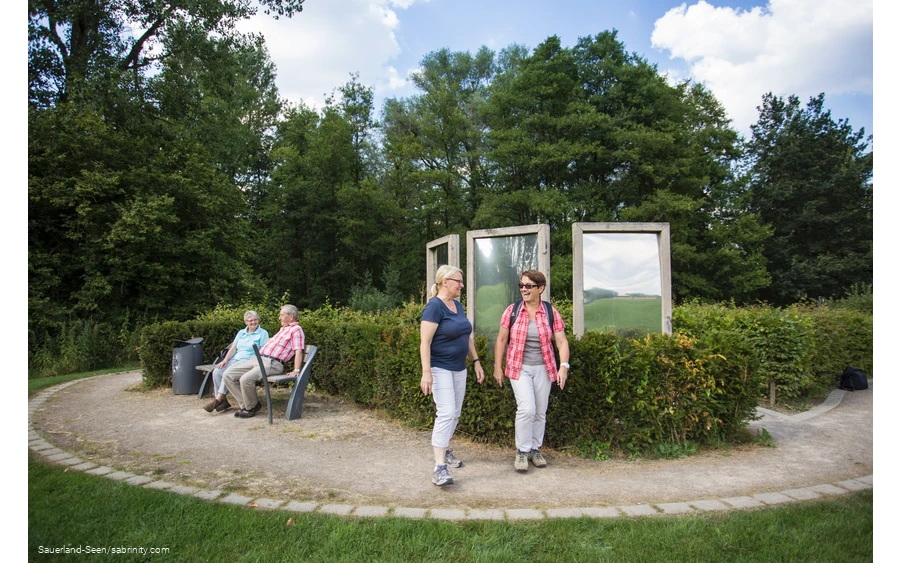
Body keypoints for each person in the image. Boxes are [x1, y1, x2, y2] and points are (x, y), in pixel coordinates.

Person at [493, 270, 570, 472]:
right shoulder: (513, 310)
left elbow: (561, 342)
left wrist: (564, 366)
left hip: (544, 368)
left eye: (529, 286)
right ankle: (522, 451)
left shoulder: (551, 312)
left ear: (540, 288)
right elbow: (501, 340)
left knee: (540, 411)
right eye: (522, 285)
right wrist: (497, 367)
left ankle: (535, 449)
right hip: (519, 368)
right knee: (526, 408)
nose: (524, 289)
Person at [420, 265, 485, 486]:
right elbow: (425, 342)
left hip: (459, 368)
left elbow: (466, 335)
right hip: (440, 368)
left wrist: (475, 361)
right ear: (445, 281)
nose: (462, 285)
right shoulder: (434, 308)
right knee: (446, 412)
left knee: (455, 413)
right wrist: (426, 373)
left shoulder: (457, 305)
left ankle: (444, 449)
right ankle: (439, 468)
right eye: (459, 281)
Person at [223, 304, 304, 419]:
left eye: (281, 315)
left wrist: (296, 370)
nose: (279, 318)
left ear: (290, 317)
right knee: (227, 375)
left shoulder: (296, 330)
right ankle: (247, 405)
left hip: (272, 363)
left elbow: (298, 350)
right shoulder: (283, 329)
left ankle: (250, 407)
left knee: (246, 379)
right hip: (258, 358)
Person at [202, 310, 270, 413]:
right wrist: (225, 360)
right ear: (245, 322)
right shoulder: (241, 333)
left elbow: (262, 351)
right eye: (250, 320)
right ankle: (222, 400)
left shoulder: (263, 333)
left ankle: (218, 399)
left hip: (248, 361)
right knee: (217, 371)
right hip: (235, 359)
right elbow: (233, 348)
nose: (253, 322)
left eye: (255, 320)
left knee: (227, 373)